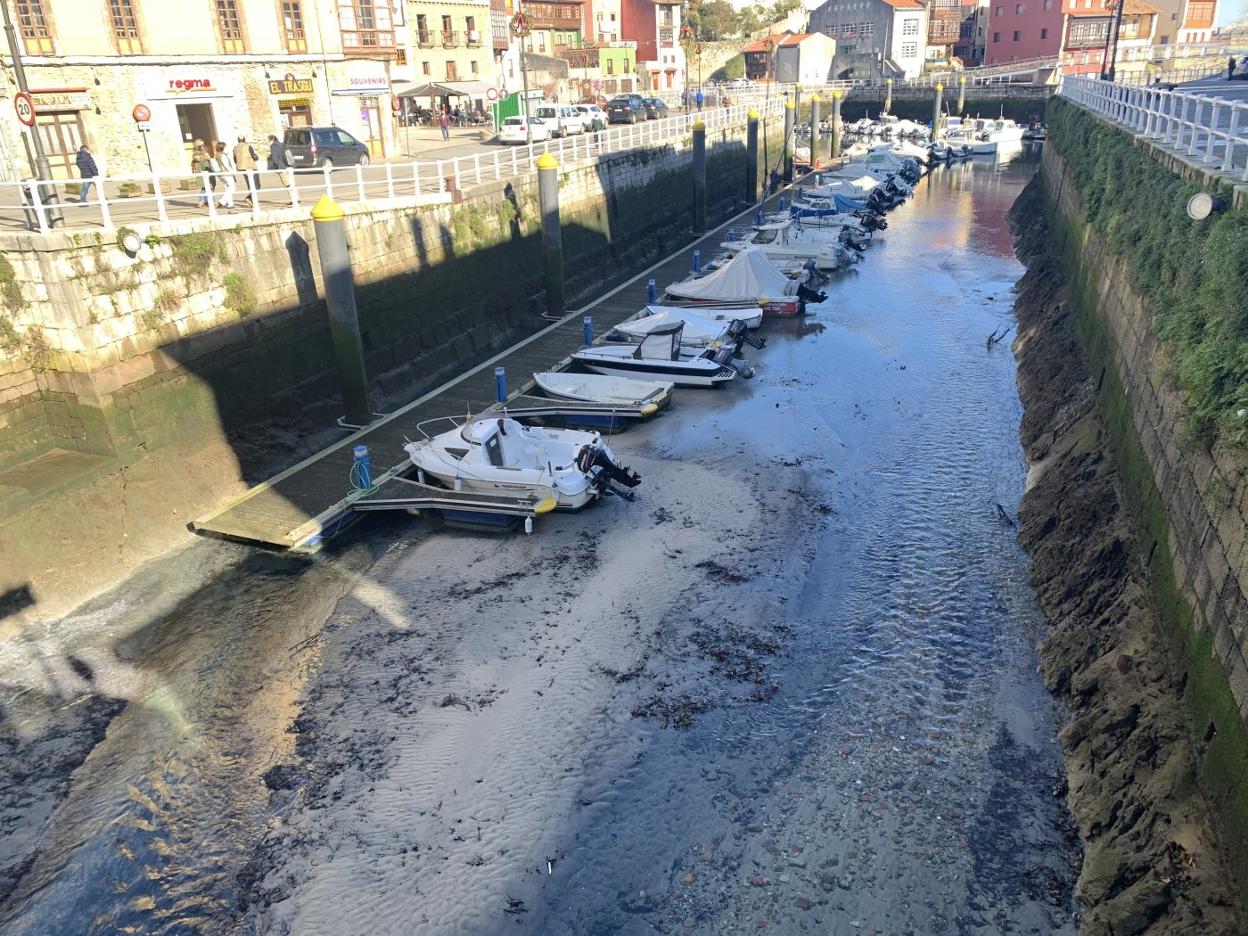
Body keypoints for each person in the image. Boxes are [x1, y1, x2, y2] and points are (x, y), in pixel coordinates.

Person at [233, 134, 260, 205]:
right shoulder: (248, 146)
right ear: (244, 140)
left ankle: (252, 200)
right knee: (257, 185)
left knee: (249, 184)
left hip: (241, 168)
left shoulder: (235, 148)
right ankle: (249, 198)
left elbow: (235, 159)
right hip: (251, 167)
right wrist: (256, 157)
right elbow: (253, 156)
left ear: (238, 140)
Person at [191, 139, 215, 207]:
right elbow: (206, 158)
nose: (203, 146)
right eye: (202, 145)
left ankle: (206, 202)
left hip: (206, 172)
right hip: (203, 173)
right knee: (206, 187)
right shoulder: (197, 154)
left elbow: (208, 158)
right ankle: (205, 202)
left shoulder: (201, 153)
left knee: (207, 187)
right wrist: (204, 152)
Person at [214, 141, 236, 209]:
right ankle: (222, 201)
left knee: (228, 188)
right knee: (232, 188)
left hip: (221, 173)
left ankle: (230, 204)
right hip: (226, 173)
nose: (227, 148)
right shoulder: (223, 155)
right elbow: (226, 165)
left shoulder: (217, 154)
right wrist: (232, 172)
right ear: (223, 147)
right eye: (226, 147)